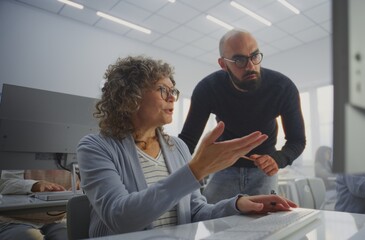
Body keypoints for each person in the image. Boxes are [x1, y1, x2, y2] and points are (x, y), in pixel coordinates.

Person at [76, 55, 298, 238]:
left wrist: (239, 204)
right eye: (163, 90)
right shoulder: (95, 147)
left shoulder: (178, 147)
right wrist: (195, 170)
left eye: (173, 91)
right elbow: (121, 219)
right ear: (130, 95)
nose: (172, 98)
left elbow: (196, 212)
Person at [178, 29, 306, 203]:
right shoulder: (208, 89)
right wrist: (172, 177)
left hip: (264, 171)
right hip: (223, 167)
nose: (251, 66)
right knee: (212, 223)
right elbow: (187, 141)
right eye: (239, 60)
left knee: (262, 225)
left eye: (254, 56)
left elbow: (297, 140)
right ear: (223, 64)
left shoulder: (282, 87)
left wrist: (278, 159)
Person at [0, 170, 68, 240]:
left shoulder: (74, 163)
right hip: (15, 220)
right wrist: (34, 185)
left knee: (69, 235)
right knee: (31, 237)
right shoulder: (17, 159)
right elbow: (5, 183)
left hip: (57, 219)